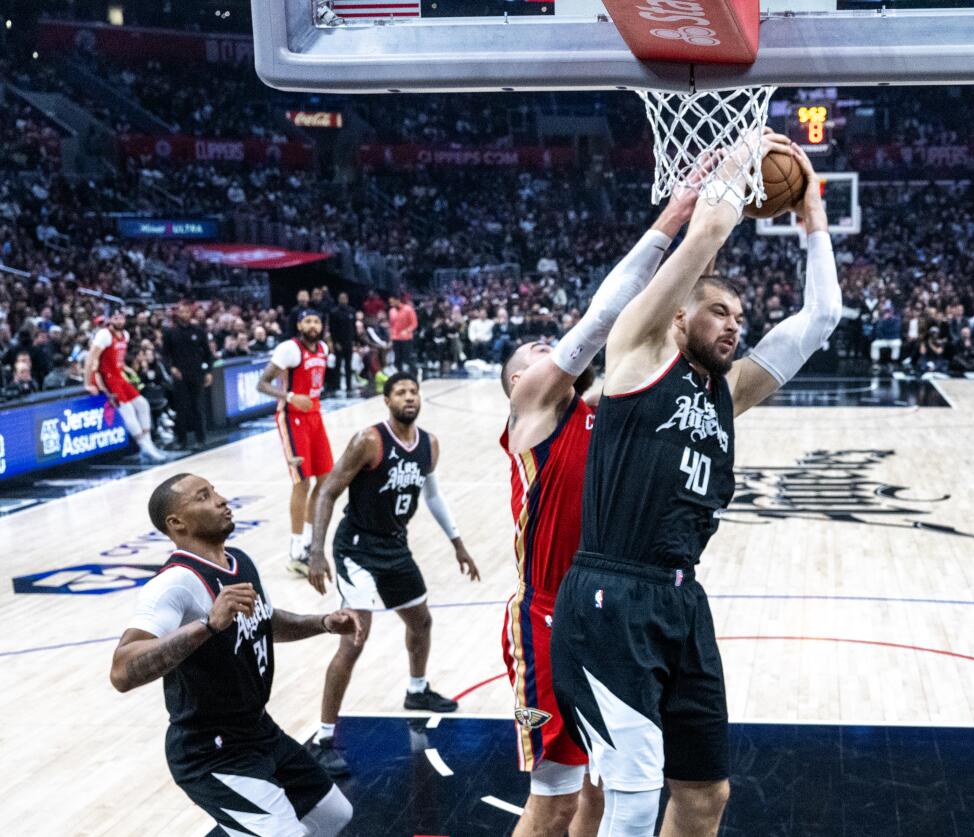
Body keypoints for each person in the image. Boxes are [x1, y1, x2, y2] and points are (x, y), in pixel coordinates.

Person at [550, 134, 841, 837]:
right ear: (680, 314)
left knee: (706, 793)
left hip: (682, 600)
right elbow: (710, 227)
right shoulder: (637, 353)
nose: (735, 325)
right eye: (720, 311)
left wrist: (814, 220)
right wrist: (744, 150)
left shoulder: (728, 391)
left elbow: (823, 317)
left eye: (742, 319)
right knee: (631, 793)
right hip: (609, 595)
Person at [498, 191, 695, 837]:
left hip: (608, 611)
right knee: (553, 801)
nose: (548, 348)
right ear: (520, 383)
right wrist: (677, 219)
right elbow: (605, 317)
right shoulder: (532, 414)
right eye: (534, 350)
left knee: (603, 792)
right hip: (547, 615)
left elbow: (644, 330)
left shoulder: (603, 410)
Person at [109, 473, 365, 836]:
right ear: (176, 523)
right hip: (209, 750)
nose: (221, 499)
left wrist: (322, 622)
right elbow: (122, 671)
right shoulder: (174, 583)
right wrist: (207, 625)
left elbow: (264, 622)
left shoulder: (239, 561)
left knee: (332, 815)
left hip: (258, 731)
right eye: (204, 496)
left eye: (215, 490)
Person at [304, 372, 480, 776]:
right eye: (400, 392)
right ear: (387, 401)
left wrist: (457, 543)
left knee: (421, 621)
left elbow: (432, 496)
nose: (409, 397)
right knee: (354, 639)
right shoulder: (369, 440)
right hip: (357, 549)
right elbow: (329, 490)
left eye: (413, 391)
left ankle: (417, 692)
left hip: (395, 546)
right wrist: (315, 550)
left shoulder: (429, 444)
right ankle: (324, 737)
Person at [257, 309, 335, 575]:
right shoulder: (289, 349)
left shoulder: (323, 347)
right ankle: (295, 551)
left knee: (325, 480)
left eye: (316, 320)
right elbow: (262, 384)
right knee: (301, 482)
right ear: (300, 324)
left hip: (315, 414)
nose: (312, 325)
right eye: (308, 321)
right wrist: (289, 396)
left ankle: (309, 545)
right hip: (292, 418)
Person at [85, 310, 166, 463]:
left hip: (119, 376)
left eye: (121, 317)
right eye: (115, 317)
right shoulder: (104, 335)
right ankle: (144, 446)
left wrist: (128, 371)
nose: (119, 320)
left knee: (143, 405)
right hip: (107, 378)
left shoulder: (126, 335)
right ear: (110, 320)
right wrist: (88, 383)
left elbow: (119, 362)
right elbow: (91, 359)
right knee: (127, 410)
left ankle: (148, 443)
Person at [161, 301, 214, 451]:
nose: (184, 314)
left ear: (190, 313)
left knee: (198, 407)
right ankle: (181, 440)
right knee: (181, 408)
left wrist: (208, 371)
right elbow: (165, 355)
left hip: (197, 373)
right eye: (181, 311)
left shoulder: (199, 331)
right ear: (177, 313)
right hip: (180, 375)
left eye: (186, 311)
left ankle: (201, 438)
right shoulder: (170, 332)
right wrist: (171, 368)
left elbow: (208, 354)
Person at [328, 292, 357, 396]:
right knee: (338, 365)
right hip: (338, 343)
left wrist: (355, 341)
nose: (343, 299)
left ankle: (349, 386)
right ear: (339, 299)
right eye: (341, 298)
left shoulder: (352, 311)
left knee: (348, 365)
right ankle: (337, 386)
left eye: (345, 298)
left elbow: (353, 328)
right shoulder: (334, 312)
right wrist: (335, 342)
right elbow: (332, 329)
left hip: (349, 342)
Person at [389, 294, 418, 376]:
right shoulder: (391, 311)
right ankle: (400, 375)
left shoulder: (408, 309)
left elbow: (414, 323)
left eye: (392, 302)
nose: (391, 304)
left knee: (407, 358)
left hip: (406, 338)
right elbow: (392, 325)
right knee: (397, 359)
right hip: (395, 338)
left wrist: (407, 330)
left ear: (397, 300)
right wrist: (391, 336)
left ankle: (415, 373)